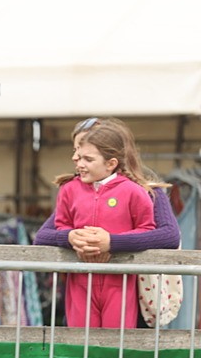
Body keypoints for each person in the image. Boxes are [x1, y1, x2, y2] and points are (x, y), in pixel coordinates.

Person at [37, 119, 162, 329]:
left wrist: (112, 243)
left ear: (111, 163)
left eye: (88, 158)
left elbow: (146, 229)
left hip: (120, 280)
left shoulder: (134, 191)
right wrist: (72, 237)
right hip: (79, 280)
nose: (78, 163)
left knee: (116, 341)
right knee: (79, 341)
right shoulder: (68, 190)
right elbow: (61, 225)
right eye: (78, 156)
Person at [34, 117, 180, 262]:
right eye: (76, 149)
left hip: (136, 281)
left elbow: (169, 236)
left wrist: (111, 243)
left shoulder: (147, 190)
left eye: (81, 148)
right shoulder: (75, 189)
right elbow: (44, 235)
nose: (75, 157)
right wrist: (77, 240)